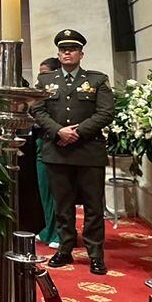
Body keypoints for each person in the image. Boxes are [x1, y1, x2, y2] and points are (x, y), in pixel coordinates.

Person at [31, 29, 115, 274]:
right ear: (58, 54)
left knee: (93, 206)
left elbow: (106, 112)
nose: (67, 53)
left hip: (88, 151)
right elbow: (37, 110)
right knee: (63, 204)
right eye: (63, 49)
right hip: (58, 151)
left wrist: (77, 132)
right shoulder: (46, 81)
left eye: (73, 49)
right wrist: (59, 131)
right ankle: (65, 248)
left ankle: (95, 254)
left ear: (81, 54)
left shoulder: (97, 80)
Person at [32, 57, 61, 246]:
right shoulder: (39, 92)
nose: (40, 78)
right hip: (42, 142)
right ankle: (48, 230)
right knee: (45, 192)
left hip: (58, 143)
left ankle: (60, 233)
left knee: (58, 193)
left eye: (45, 73)